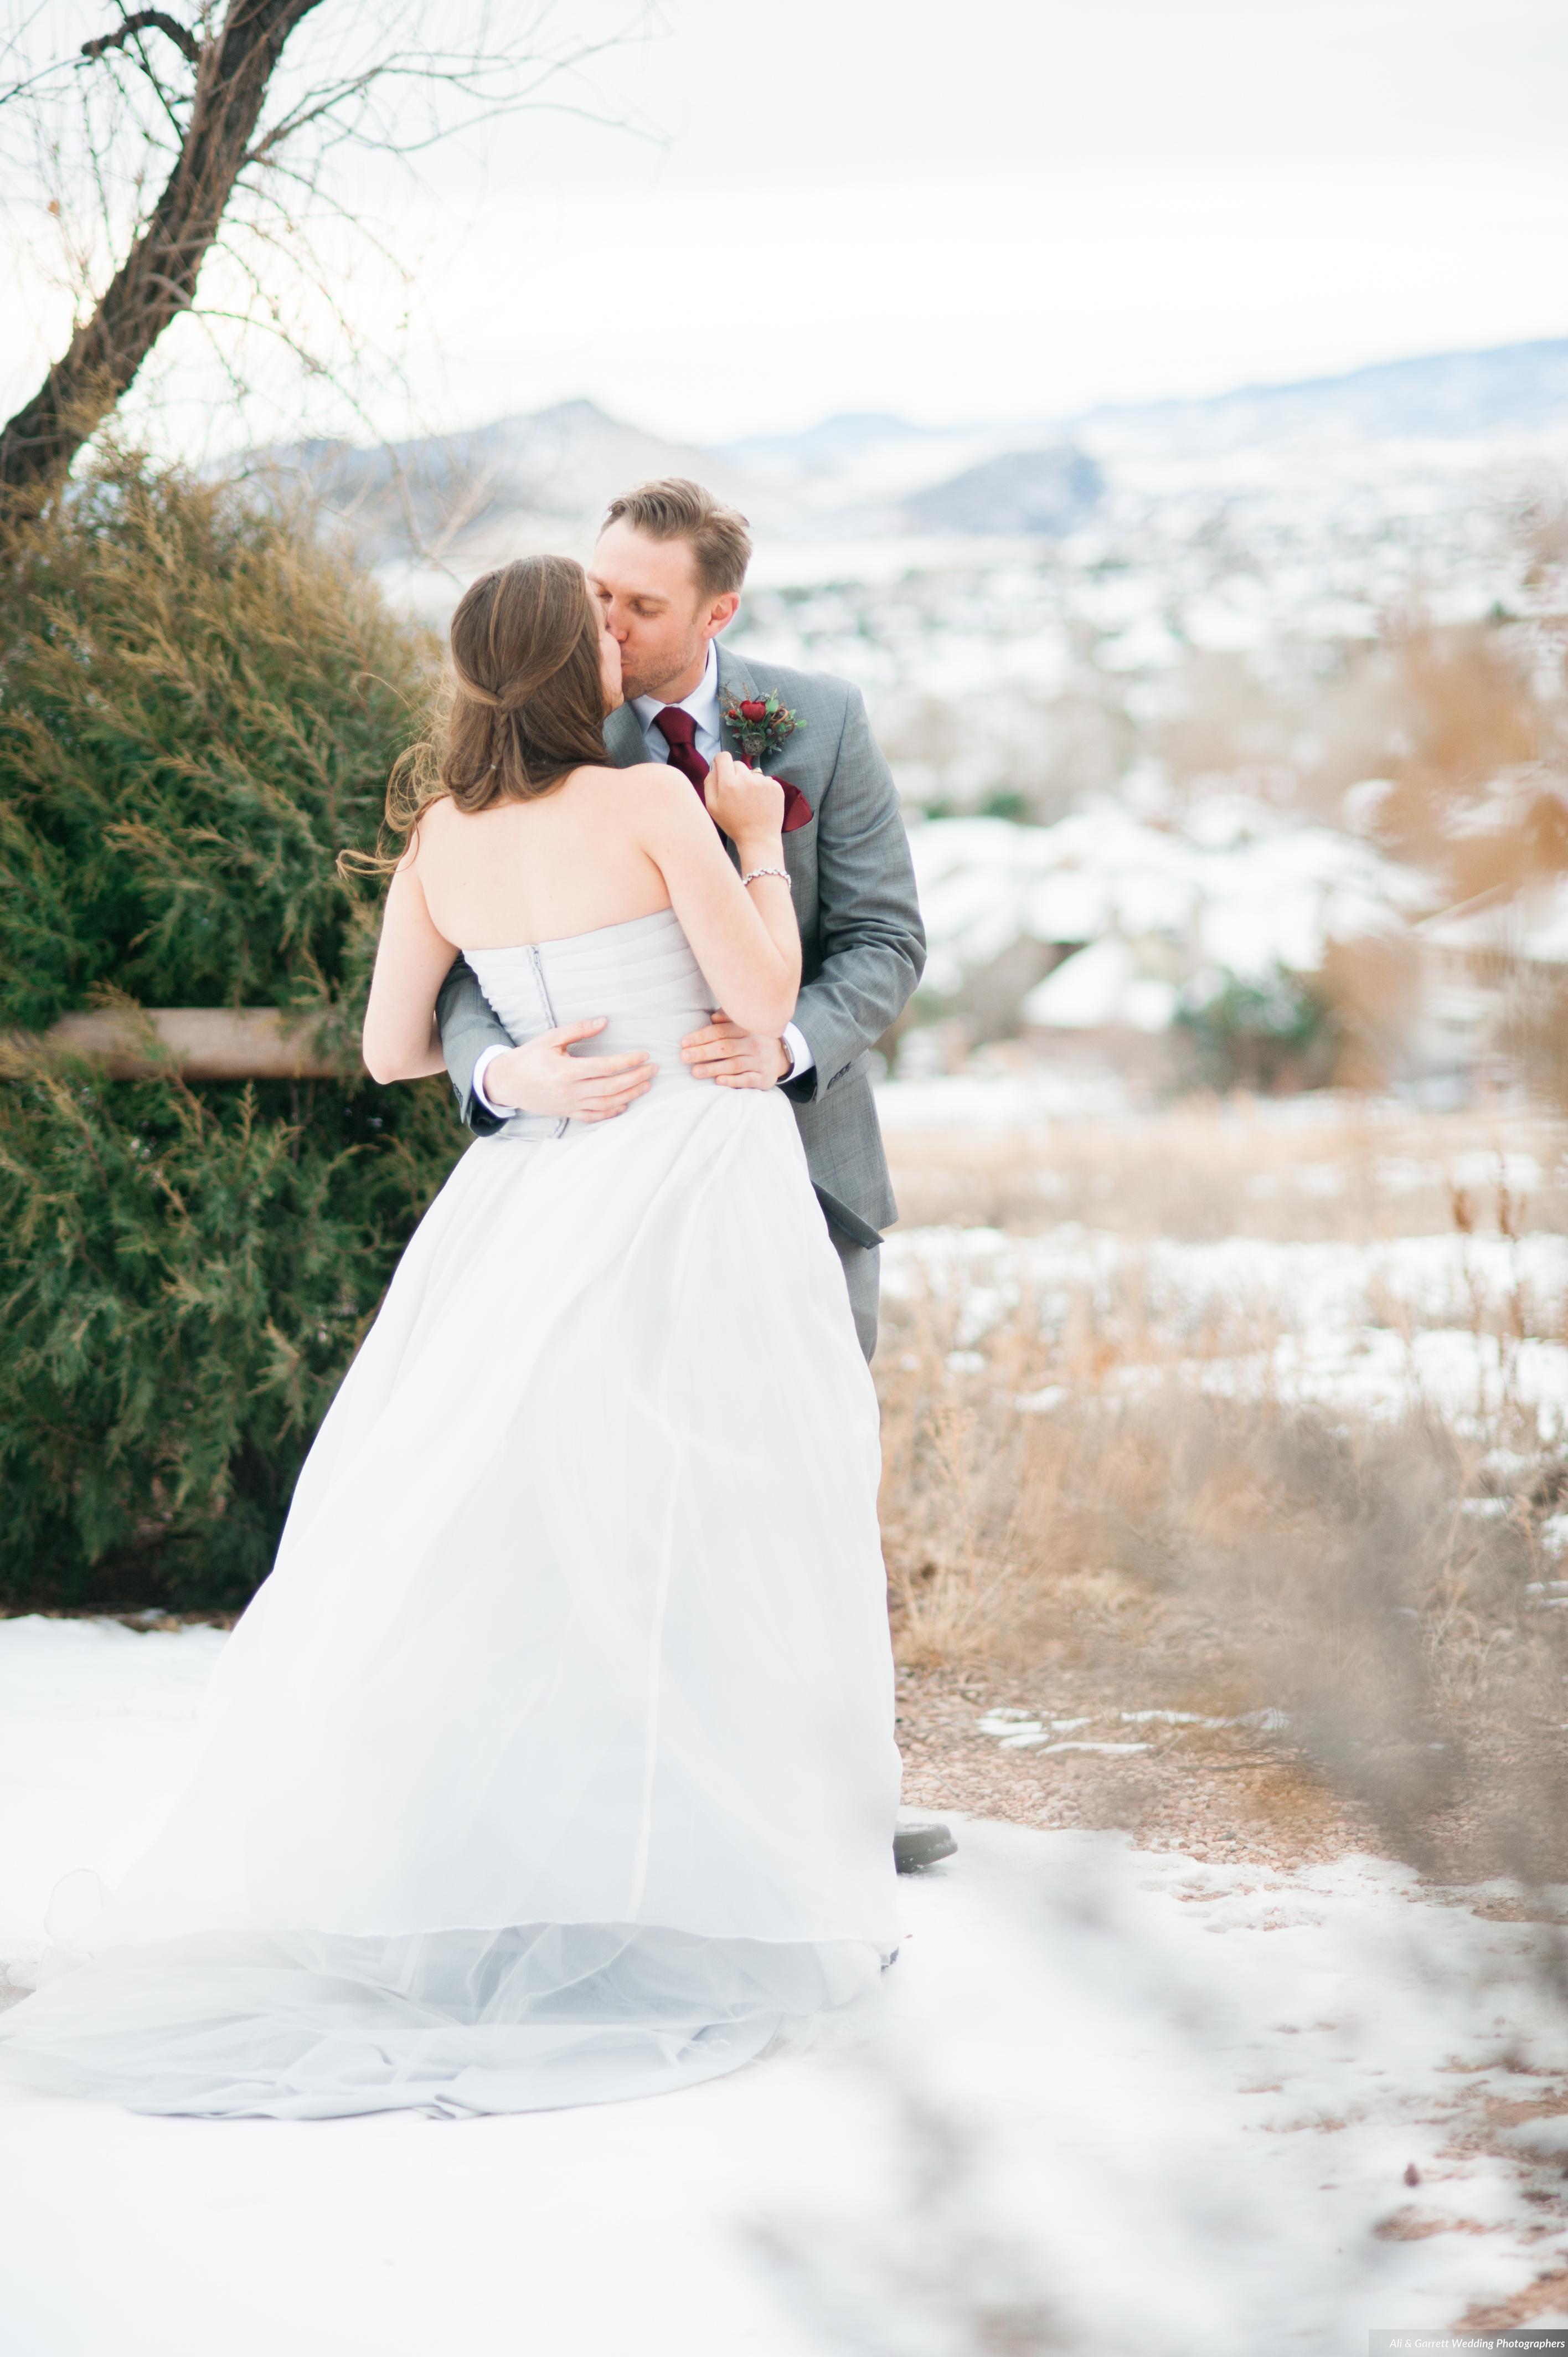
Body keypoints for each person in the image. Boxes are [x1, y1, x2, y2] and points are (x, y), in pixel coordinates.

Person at [0, 556, 905, 2118]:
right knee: (728, 1516)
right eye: (597, 626)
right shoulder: (653, 804)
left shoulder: (441, 837)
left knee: (528, 1522)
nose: (619, 639)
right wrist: (758, 842)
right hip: (691, 1181)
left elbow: (387, 1045)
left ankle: (562, 1857)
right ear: (570, 667)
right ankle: (709, 1873)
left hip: (536, 1199)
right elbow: (764, 998)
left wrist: (519, 1074)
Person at [437, 478, 955, 1875]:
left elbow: (886, 938)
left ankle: (832, 1799)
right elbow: (465, 976)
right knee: (612, 1496)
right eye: (597, 590)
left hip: (806, 1171)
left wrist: (786, 1046)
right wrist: (504, 1073)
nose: (603, 622)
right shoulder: (552, 723)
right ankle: (634, 1808)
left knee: (804, 1483)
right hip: (607, 1192)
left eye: (639, 605)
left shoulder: (818, 719)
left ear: (719, 612)